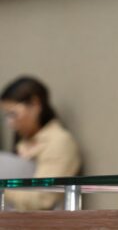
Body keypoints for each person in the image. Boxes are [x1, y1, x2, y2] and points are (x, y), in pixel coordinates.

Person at [1, 76, 82, 210]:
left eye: (13, 114)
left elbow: (43, 199)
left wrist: (4, 189)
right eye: (7, 115)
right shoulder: (23, 142)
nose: (10, 123)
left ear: (35, 104)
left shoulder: (59, 142)